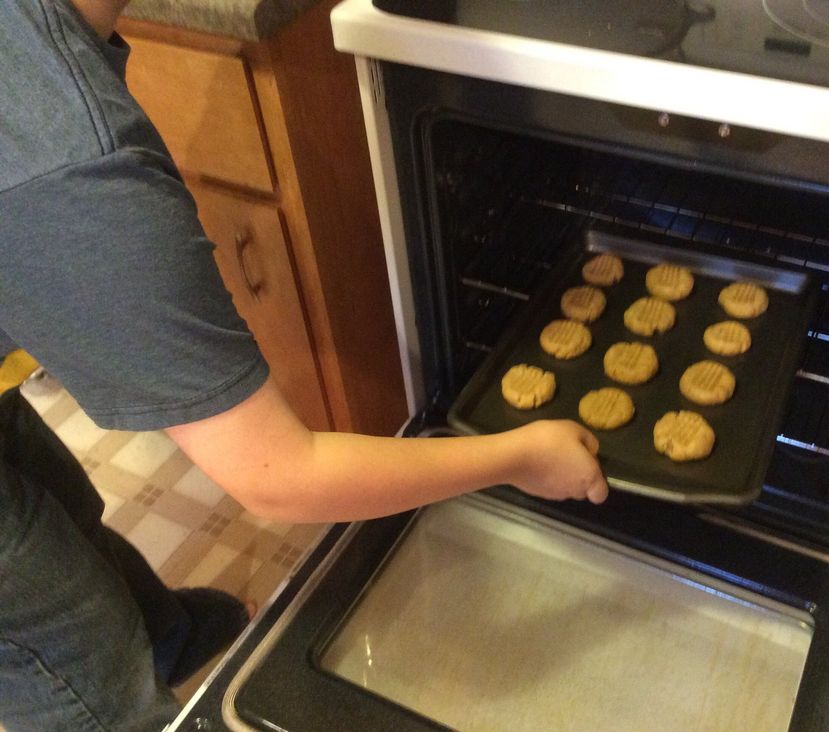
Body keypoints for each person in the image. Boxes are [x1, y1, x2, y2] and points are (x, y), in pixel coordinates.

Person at [0, 0, 609, 728]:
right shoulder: (71, 159)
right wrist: (519, 455)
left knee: (62, 505)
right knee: (72, 639)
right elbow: (278, 475)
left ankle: (172, 639)